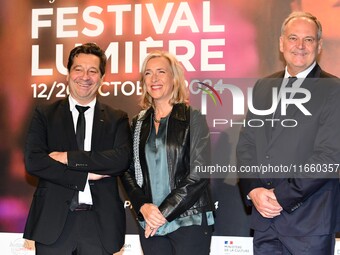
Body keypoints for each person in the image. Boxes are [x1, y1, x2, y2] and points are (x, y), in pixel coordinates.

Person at [237, 12, 340, 255]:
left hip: (309, 222)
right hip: (265, 223)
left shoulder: (334, 90)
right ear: (281, 43)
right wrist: (253, 190)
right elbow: (246, 144)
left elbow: (328, 157)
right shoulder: (264, 87)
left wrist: (280, 197)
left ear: (319, 45)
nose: (300, 46)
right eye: (293, 38)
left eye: (309, 40)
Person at [23, 42, 132, 255]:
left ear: (101, 78)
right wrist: (85, 176)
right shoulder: (45, 115)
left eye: (93, 71)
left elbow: (120, 160)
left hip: (101, 228)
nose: (85, 77)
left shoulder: (116, 118)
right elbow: (34, 161)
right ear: (68, 74)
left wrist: (68, 158)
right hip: (53, 225)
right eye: (78, 69)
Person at [120, 50, 215, 255]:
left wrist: (162, 213)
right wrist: (143, 206)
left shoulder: (193, 118)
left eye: (161, 72)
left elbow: (199, 174)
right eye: (148, 73)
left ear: (174, 78)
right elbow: (126, 170)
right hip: (150, 225)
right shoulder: (137, 123)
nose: (154, 78)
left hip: (190, 221)